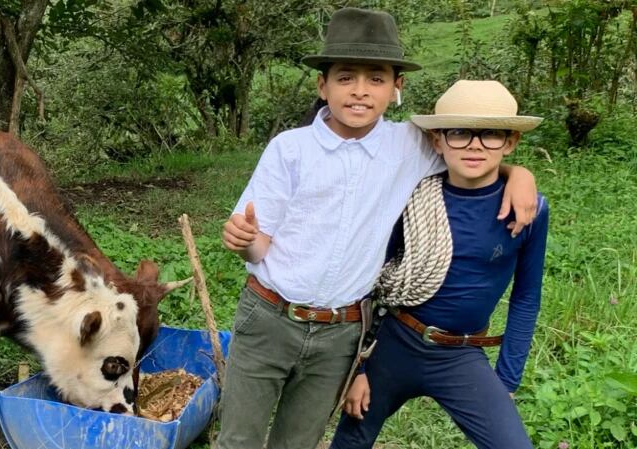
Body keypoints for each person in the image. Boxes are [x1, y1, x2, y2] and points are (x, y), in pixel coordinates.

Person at [218, 8, 539, 449]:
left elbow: (473, 154)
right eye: (346, 78)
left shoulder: (408, 144)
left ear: (396, 87)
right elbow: (259, 247)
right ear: (322, 85)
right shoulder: (289, 150)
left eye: (377, 79)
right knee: (238, 439)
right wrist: (245, 241)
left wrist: (519, 175)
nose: (360, 92)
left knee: (298, 441)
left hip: (341, 331)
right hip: (270, 317)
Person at [330, 80, 549, 449]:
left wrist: (508, 380)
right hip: (393, 343)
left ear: (511, 142)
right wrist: (359, 369)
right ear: (437, 141)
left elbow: (526, 297)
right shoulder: (409, 198)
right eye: (460, 133)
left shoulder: (528, 211)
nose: (475, 145)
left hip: (460, 354)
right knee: (350, 442)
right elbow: (366, 280)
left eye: (491, 134)